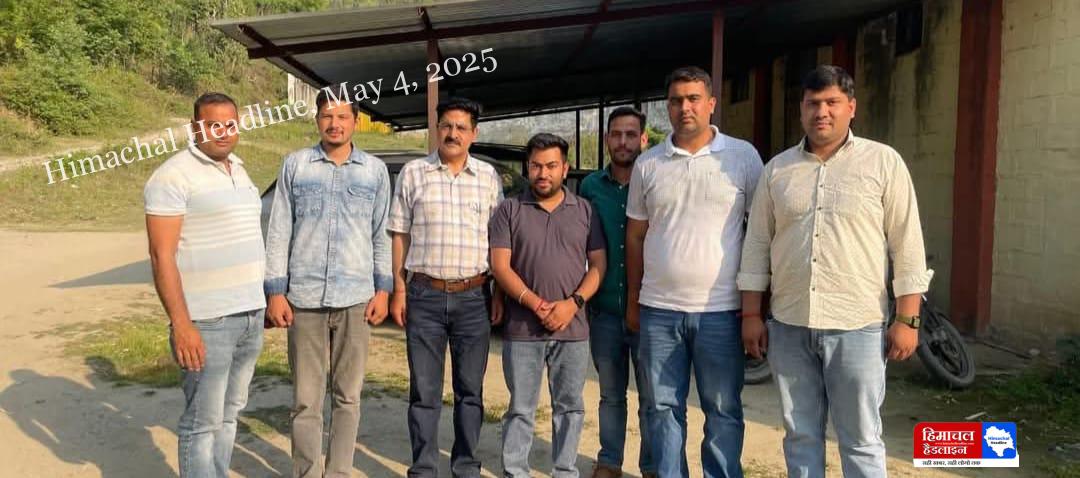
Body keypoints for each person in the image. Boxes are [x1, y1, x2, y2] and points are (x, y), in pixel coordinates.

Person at [738, 64, 933, 478]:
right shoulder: (778, 171)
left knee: (860, 437)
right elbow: (755, 247)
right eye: (813, 103)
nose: (821, 112)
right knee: (800, 434)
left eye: (832, 102)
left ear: (851, 107)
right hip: (790, 325)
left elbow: (907, 243)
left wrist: (908, 319)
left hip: (857, 327)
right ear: (801, 109)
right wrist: (751, 313)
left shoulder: (883, 163)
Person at [625, 66, 764, 478]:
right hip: (658, 310)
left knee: (722, 408)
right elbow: (636, 236)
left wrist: (754, 309)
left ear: (711, 103)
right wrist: (634, 300)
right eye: (676, 100)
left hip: (721, 310)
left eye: (693, 98)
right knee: (661, 407)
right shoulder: (649, 164)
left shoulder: (742, 157)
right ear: (667, 107)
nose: (685, 107)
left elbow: (760, 236)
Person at [263, 90, 392, 478]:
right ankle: (307, 472)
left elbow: (381, 234)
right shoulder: (296, 165)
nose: (334, 124)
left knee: (348, 397)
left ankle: (338, 472)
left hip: (356, 297)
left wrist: (383, 290)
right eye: (327, 116)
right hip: (304, 298)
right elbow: (279, 230)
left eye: (342, 116)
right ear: (317, 119)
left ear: (355, 121)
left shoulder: (374, 171)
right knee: (306, 399)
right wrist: (275, 292)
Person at [145, 92, 266, 477]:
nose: (223, 132)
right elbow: (161, 256)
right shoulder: (173, 176)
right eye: (214, 125)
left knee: (229, 415)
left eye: (230, 124)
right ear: (195, 128)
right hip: (207, 321)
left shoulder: (240, 170)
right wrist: (182, 324)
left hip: (250, 315)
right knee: (202, 422)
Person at [387, 97, 504, 478]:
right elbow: (399, 234)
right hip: (424, 296)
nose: (453, 134)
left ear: (474, 133)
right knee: (424, 391)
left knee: (470, 391)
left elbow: (499, 240)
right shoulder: (414, 173)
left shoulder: (488, 177)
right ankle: (423, 468)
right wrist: (399, 289)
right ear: (437, 129)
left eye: (461, 127)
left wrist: (499, 293)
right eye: (446, 126)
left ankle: (465, 467)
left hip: (474, 297)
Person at [489, 133, 606, 478]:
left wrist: (573, 303)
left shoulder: (584, 211)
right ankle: (515, 471)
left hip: (573, 328)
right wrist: (534, 303)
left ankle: (564, 470)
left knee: (570, 408)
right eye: (536, 166)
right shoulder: (509, 209)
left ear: (565, 168)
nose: (543, 173)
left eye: (551, 165)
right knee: (521, 408)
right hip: (522, 328)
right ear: (527, 167)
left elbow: (598, 265)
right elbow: (500, 266)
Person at [578, 106, 655, 478]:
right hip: (605, 310)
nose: (623, 142)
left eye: (631, 134)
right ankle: (610, 461)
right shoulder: (590, 187)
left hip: (651, 311)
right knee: (610, 394)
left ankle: (652, 465)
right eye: (616, 134)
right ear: (607, 139)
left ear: (644, 139)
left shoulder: (655, 179)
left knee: (652, 398)